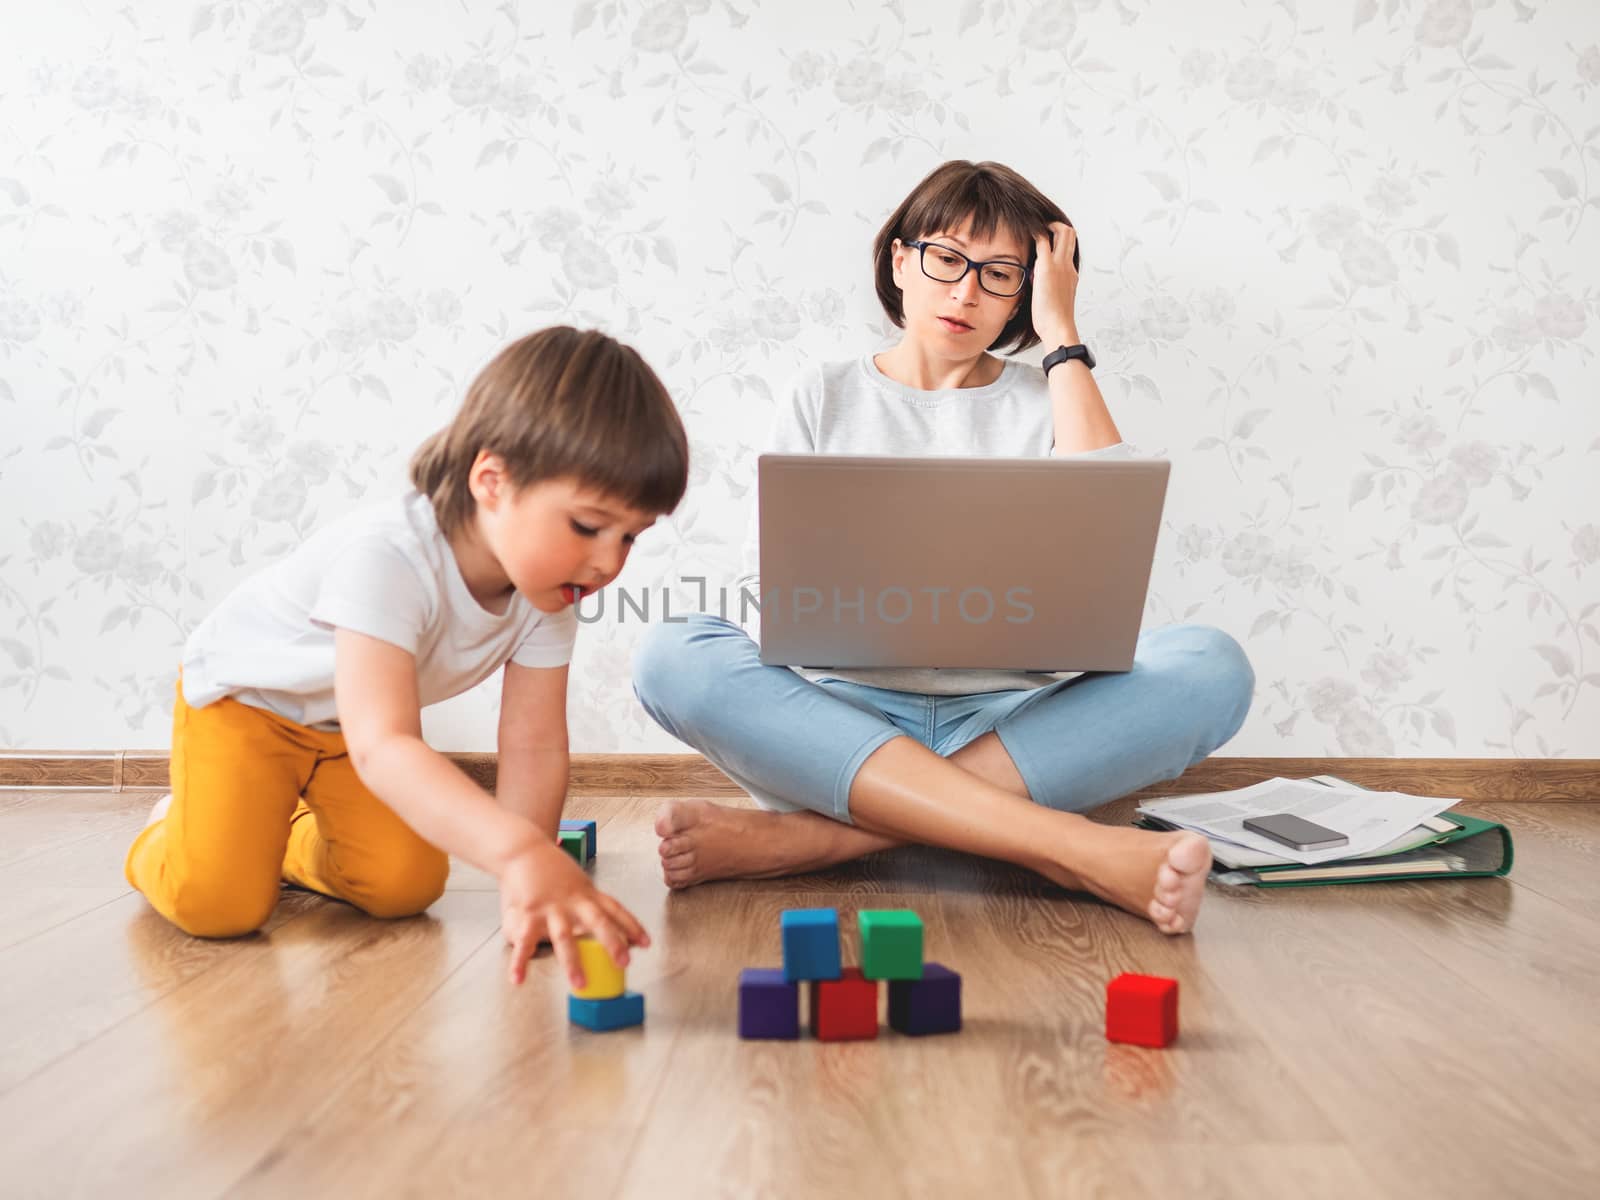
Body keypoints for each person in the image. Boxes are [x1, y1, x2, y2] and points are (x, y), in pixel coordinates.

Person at [632, 161, 1254, 934]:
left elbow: (1111, 527)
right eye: (947, 260)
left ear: (1027, 294)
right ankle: (1064, 844)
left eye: (1000, 276)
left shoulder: (1046, 398)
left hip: (1013, 721)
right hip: (844, 720)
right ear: (900, 261)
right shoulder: (822, 392)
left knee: (1212, 664)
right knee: (670, 651)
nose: (965, 293)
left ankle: (812, 839)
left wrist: (1063, 338)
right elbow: (786, 581)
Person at [125, 326, 688, 985]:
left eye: (631, 538)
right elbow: (385, 746)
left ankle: (277, 838)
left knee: (405, 885)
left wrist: (524, 877)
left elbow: (533, 744)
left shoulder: (549, 593)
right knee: (219, 904)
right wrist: (515, 855)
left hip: (344, 729)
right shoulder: (388, 558)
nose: (608, 562)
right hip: (247, 704)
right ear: (492, 481)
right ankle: (171, 831)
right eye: (589, 526)